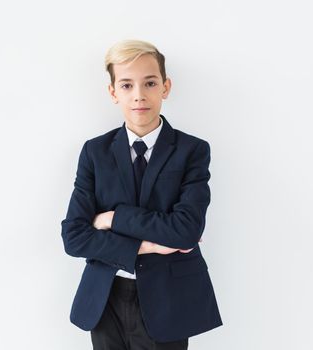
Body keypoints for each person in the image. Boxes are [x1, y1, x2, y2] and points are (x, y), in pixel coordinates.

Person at [61, 39, 223, 350]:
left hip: (168, 301)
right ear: (113, 92)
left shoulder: (192, 151)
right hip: (105, 299)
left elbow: (186, 231)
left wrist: (112, 218)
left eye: (149, 83)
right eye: (126, 85)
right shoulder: (95, 152)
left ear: (165, 87)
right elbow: (74, 237)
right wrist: (148, 245)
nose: (139, 95)